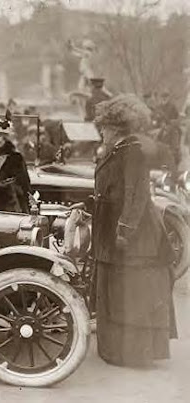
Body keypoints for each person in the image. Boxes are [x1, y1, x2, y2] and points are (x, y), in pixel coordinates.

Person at [92, 94, 177, 367]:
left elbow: (136, 195)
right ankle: (116, 350)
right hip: (112, 229)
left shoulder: (132, 153)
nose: (101, 132)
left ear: (116, 128)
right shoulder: (118, 151)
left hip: (134, 235)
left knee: (133, 292)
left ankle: (134, 353)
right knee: (117, 290)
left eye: (103, 128)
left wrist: (124, 230)